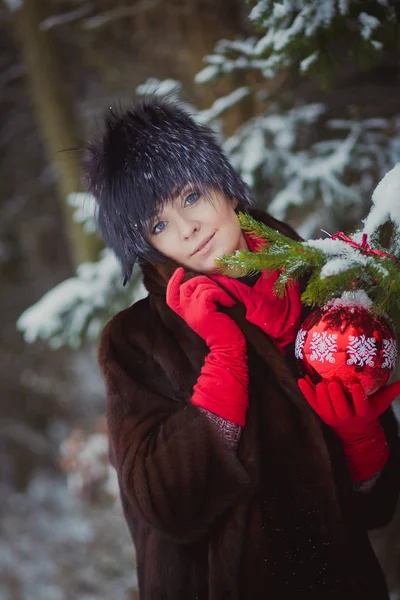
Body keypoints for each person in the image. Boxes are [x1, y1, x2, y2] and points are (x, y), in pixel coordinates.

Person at [83, 98, 400, 600]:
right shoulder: (135, 342)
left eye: (189, 196)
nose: (185, 228)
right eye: (158, 225)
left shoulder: (321, 288)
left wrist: (361, 438)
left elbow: (376, 509)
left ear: (226, 190)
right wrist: (225, 359)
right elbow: (166, 505)